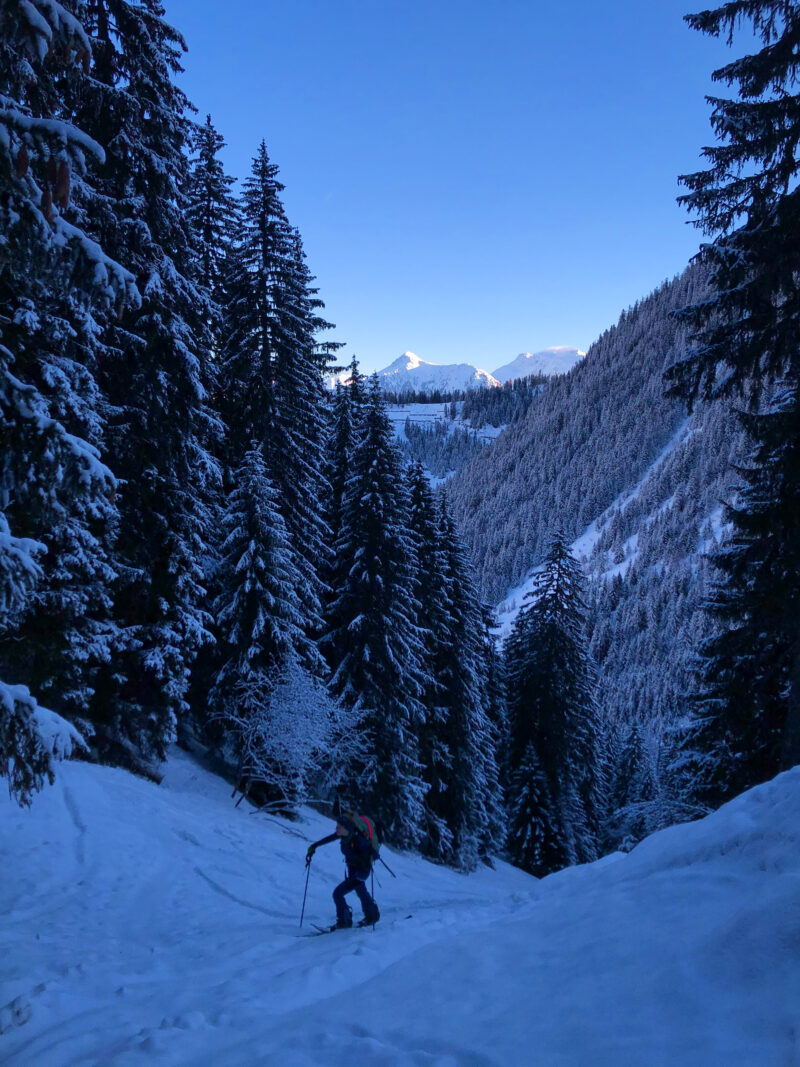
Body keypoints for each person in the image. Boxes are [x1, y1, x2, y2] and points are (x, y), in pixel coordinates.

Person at [306, 811, 380, 928]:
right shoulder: (344, 835)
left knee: (337, 893)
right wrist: (314, 846)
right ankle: (372, 915)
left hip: (361, 872)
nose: (336, 829)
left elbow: (371, 853)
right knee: (360, 891)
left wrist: (372, 854)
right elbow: (329, 838)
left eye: (339, 827)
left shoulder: (359, 840)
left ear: (346, 828)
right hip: (353, 869)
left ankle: (344, 920)